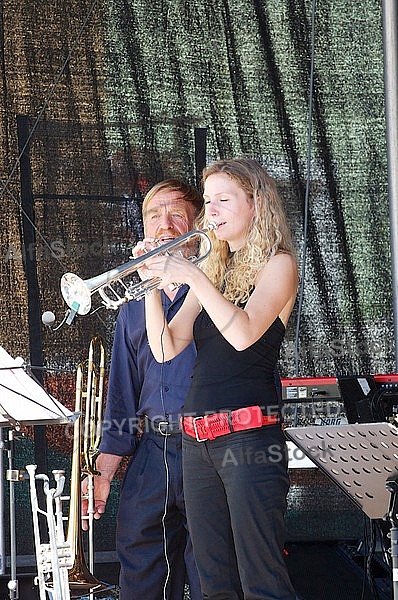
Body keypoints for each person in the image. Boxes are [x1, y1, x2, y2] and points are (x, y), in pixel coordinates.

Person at [144, 158, 298, 600]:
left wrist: (191, 273)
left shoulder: (278, 264)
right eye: (207, 201)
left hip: (249, 439)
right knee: (213, 583)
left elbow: (246, 333)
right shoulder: (216, 271)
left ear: (256, 204)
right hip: (196, 440)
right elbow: (165, 347)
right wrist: (152, 283)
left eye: (223, 200)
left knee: (262, 581)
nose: (209, 211)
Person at [81, 179, 203, 600]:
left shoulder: (219, 286)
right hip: (152, 449)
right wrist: (104, 470)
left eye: (176, 215)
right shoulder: (134, 303)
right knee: (139, 560)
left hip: (211, 446)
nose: (165, 226)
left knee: (211, 572)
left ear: (197, 223)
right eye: (155, 216)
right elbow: (122, 391)